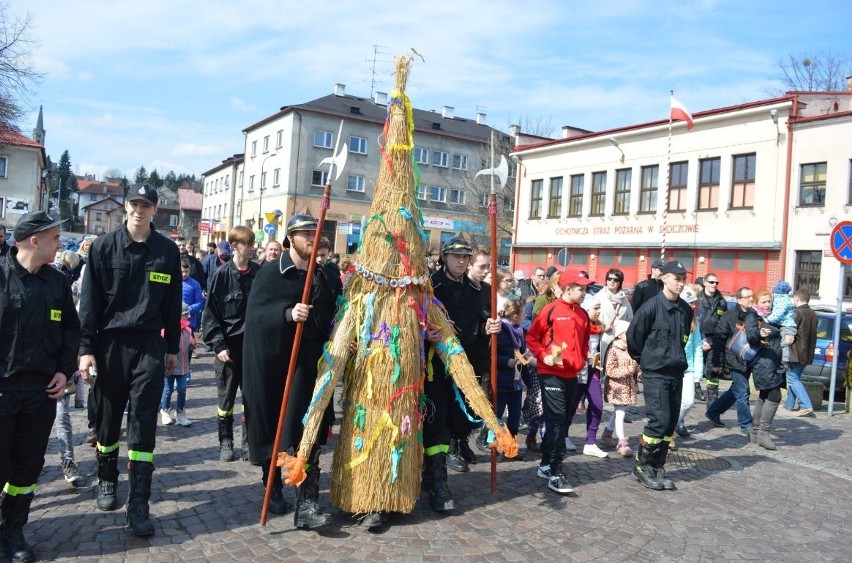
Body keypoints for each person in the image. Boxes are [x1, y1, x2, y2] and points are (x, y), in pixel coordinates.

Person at [78, 184, 182, 537]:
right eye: (134, 204)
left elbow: (172, 302)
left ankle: (139, 502)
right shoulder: (104, 247)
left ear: (155, 211)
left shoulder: (167, 251)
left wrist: (171, 348)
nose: (139, 210)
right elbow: (89, 303)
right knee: (108, 417)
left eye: (146, 205)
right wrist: (85, 348)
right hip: (110, 344)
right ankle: (106, 479)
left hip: (150, 346)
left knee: (143, 421)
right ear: (125, 207)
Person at [242, 214, 341, 529]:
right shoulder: (271, 274)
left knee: (308, 430)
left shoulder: (325, 275)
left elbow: (334, 310)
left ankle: (307, 503)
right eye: (306, 233)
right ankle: (271, 486)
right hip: (276, 366)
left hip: (310, 365)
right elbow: (256, 316)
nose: (313, 237)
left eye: (316, 232)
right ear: (291, 238)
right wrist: (286, 313)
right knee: (276, 428)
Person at [1, 211, 81, 561]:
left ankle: (13, 532)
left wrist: (65, 371)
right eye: (54, 238)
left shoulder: (57, 282)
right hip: (3, 391)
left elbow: (71, 332)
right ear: (34, 240)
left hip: (41, 393)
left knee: (26, 468)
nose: (59, 244)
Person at [626, 260, 693, 491]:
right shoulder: (651, 307)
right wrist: (645, 361)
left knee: (670, 424)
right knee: (659, 421)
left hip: (676, 372)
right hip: (655, 373)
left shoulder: (685, 309)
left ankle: (657, 466)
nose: (681, 283)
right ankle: (643, 465)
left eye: (684, 279)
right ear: (664, 278)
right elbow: (634, 338)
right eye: (677, 278)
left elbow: (683, 339)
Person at [431, 243, 495, 475]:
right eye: (456, 256)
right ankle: (438, 461)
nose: (461, 261)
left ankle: (456, 445)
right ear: (444, 257)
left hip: (467, 357)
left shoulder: (476, 289)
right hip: (435, 359)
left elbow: (478, 321)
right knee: (438, 412)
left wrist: (488, 327)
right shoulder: (431, 284)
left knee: (462, 410)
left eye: (465, 257)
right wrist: (425, 333)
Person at [526, 268, 592, 495]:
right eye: (580, 289)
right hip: (550, 373)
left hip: (572, 375)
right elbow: (532, 337)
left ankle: (545, 464)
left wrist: (582, 359)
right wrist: (542, 355)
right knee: (555, 421)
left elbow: (585, 341)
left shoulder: (582, 314)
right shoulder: (550, 310)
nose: (584, 292)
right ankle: (555, 472)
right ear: (566, 289)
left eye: (585, 288)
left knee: (563, 421)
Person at [202, 226, 260, 463]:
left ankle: (249, 442)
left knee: (252, 399)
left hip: (252, 348)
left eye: (253, 243)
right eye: (248, 244)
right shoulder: (221, 275)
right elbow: (211, 314)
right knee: (225, 401)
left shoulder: (259, 274)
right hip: (228, 348)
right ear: (235, 246)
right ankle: (226, 441)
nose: (253, 248)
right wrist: (219, 345)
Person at [705, 287, 760, 436]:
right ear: (739, 299)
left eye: (751, 296)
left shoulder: (754, 315)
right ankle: (746, 425)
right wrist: (717, 362)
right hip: (734, 359)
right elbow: (719, 339)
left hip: (749, 358)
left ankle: (713, 411)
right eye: (747, 297)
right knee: (742, 392)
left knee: (735, 389)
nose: (750, 299)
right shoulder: (729, 316)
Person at [565, 297, 608, 458]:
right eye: (595, 308)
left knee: (597, 404)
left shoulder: (599, 326)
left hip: (593, 370)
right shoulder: (578, 325)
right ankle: (564, 435)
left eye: (599, 308)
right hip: (577, 370)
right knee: (571, 405)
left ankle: (590, 442)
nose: (598, 311)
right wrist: (583, 354)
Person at [491, 299, 533, 460]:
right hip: (502, 381)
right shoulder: (500, 330)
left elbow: (520, 351)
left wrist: (526, 360)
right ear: (515, 316)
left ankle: (511, 450)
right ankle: (494, 445)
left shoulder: (519, 330)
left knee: (515, 417)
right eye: (522, 314)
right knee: (497, 417)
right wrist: (504, 361)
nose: (524, 317)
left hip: (516, 382)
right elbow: (492, 354)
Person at [750, 289, 785, 449]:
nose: (767, 304)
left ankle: (755, 432)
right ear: (756, 303)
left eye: (769, 301)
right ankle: (764, 433)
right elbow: (750, 335)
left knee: (764, 395)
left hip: (773, 362)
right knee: (774, 395)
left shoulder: (773, 317)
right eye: (763, 301)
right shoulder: (754, 316)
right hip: (763, 363)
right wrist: (759, 333)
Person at [602, 320, 641, 457]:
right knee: (620, 412)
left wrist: (638, 374)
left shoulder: (631, 348)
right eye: (627, 332)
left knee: (620, 411)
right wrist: (628, 370)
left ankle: (607, 433)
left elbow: (635, 366)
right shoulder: (613, 350)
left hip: (628, 387)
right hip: (617, 388)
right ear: (619, 335)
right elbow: (610, 371)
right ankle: (622, 443)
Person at [674, 284, 704, 445]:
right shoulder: (673, 319)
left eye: (694, 302)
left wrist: (698, 374)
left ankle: (671, 427)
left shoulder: (694, 323)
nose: (694, 305)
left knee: (688, 401)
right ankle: (666, 433)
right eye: (690, 302)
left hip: (688, 368)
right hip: (672, 368)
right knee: (672, 402)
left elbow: (697, 347)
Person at [161, 303, 194, 427]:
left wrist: (193, 344)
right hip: (169, 367)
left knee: (182, 389)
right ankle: (165, 411)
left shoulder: (188, 330)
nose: (188, 317)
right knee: (168, 390)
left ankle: (180, 413)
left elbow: (189, 346)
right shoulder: (166, 331)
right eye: (186, 315)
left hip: (183, 367)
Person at [785, 289, 817, 417]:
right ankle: (789, 404)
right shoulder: (814, 314)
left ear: (797, 299)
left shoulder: (796, 312)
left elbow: (791, 330)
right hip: (807, 353)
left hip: (796, 352)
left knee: (792, 378)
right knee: (794, 377)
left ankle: (806, 405)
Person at [697, 273, 727, 403]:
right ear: (704, 282)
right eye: (711, 282)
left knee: (713, 371)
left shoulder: (721, 301)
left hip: (715, 339)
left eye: (716, 283)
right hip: (698, 337)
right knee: (694, 369)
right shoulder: (697, 299)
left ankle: (712, 402)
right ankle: (696, 390)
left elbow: (724, 322)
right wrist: (702, 340)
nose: (714, 285)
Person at [766, 280, 797, 367]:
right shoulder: (785, 300)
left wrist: (768, 320)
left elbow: (777, 314)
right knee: (784, 343)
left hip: (787, 326)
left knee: (785, 344)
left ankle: (784, 362)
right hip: (787, 325)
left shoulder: (781, 301)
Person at [181, 257, 204, 334]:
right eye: (182, 271)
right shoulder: (173, 283)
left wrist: (187, 310)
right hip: (173, 320)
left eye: (186, 272)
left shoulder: (195, 284)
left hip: (189, 322)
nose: (184, 274)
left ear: (190, 270)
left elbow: (200, 302)